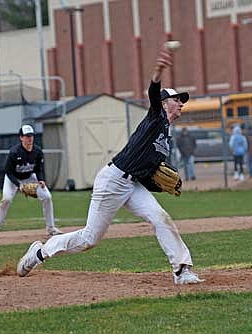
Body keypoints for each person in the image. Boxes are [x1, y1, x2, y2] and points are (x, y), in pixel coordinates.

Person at [16, 48, 204, 285]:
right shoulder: (156, 117)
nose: (181, 104)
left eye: (181, 101)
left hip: (132, 184)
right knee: (89, 239)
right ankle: (40, 252)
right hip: (113, 180)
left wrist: (159, 185)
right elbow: (153, 92)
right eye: (177, 99)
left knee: (160, 217)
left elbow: (148, 174)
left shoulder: (167, 136)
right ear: (164, 103)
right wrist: (158, 72)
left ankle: (182, 270)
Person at [0, 125, 63, 238]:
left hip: (29, 177)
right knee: (6, 200)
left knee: (47, 197)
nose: (30, 138)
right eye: (27, 136)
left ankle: (51, 228)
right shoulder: (14, 152)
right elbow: (9, 172)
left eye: (31, 136)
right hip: (13, 179)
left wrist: (41, 179)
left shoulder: (37, 151)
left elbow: (38, 169)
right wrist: (19, 186)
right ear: (21, 138)